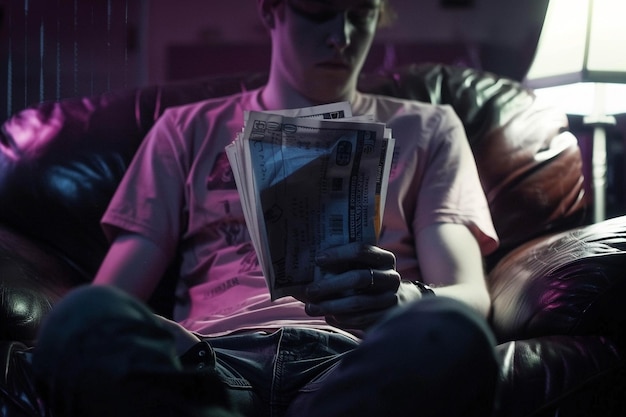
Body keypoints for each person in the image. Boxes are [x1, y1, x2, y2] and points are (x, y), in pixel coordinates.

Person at [33, 0, 501, 416]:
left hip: (350, 361)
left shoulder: (430, 126)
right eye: (317, 12)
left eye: (360, 15)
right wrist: (155, 335)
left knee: (454, 332)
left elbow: (471, 295)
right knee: (82, 318)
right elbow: (114, 295)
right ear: (271, 11)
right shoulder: (185, 128)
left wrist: (400, 301)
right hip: (212, 358)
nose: (341, 37)